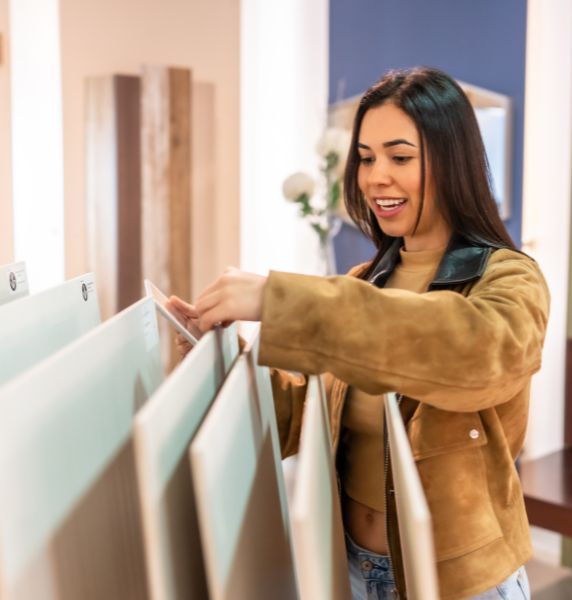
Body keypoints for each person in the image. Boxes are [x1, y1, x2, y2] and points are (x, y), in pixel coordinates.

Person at [170, 67, 548, 600]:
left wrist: (280, 301)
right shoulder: (364, 282)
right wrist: (212, 357)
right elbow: (302, 411)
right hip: (351, 566)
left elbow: (475, 353)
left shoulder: (510, 279)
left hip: (458, 581)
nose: (375, 178)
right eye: (366, 158)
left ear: (451, 159)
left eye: (400, 157)